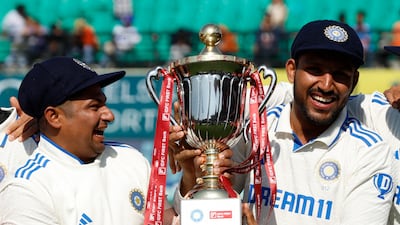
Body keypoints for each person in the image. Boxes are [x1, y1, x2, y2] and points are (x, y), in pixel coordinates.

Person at [170, 20, 397, 225]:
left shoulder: (371, 153)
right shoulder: (254, 130)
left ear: (353, 81)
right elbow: (198, 216)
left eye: (339, 75)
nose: (327, 85)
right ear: (291, 71)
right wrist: (192, 176)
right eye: (314, 70)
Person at [0, 56, 176, 224]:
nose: (109, 115)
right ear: (54, 117)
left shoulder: (131, 159)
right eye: (94, 107)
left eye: (104, 104)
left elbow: (171, 222)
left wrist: (191, 178)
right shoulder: (28, 187)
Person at [1, 4, 29, 69]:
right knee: (14, 51)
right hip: (13, 36)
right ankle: (9, 65)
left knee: (20, 52)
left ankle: (21, 65)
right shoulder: (11, 15)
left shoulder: (21, 15)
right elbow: (6, 28)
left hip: (21, 38)